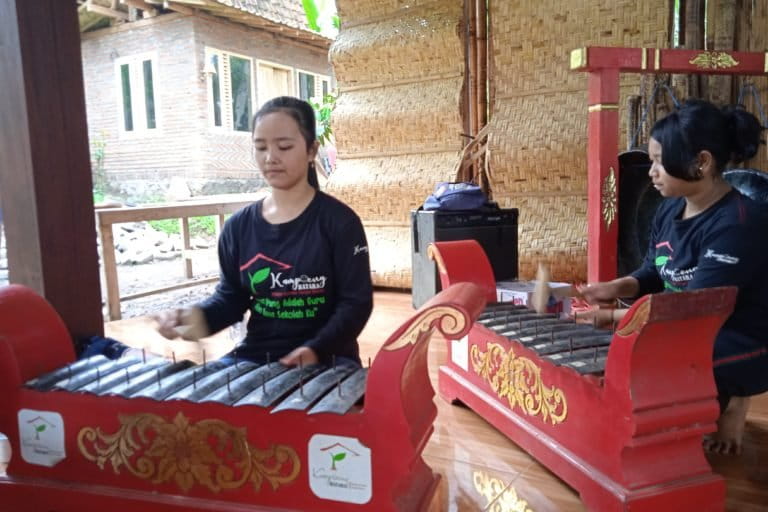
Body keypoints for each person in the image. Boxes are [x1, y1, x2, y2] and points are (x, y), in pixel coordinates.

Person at [578, 99, 767, 455]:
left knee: (650, 357)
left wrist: (612, 317)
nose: (652, 171)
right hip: (689, 322)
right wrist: (616, 287)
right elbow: (654, 269)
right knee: (633, 352)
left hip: (743, 339)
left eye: (660, 161)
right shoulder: (668, 208)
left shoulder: (739, 223)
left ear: (702, 162)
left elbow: (691, 307)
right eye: (651, 160)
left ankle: (734, 396)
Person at [155, 96, 373, 368]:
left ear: (311, 150)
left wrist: (315, 349)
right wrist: (192, 320)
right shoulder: (238, 227)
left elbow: (356, 304)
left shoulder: (340, 222)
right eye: (260, 147)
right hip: (256, 356)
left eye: (284, 146)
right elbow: (230, 301)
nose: (271, 158)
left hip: (329, 359)